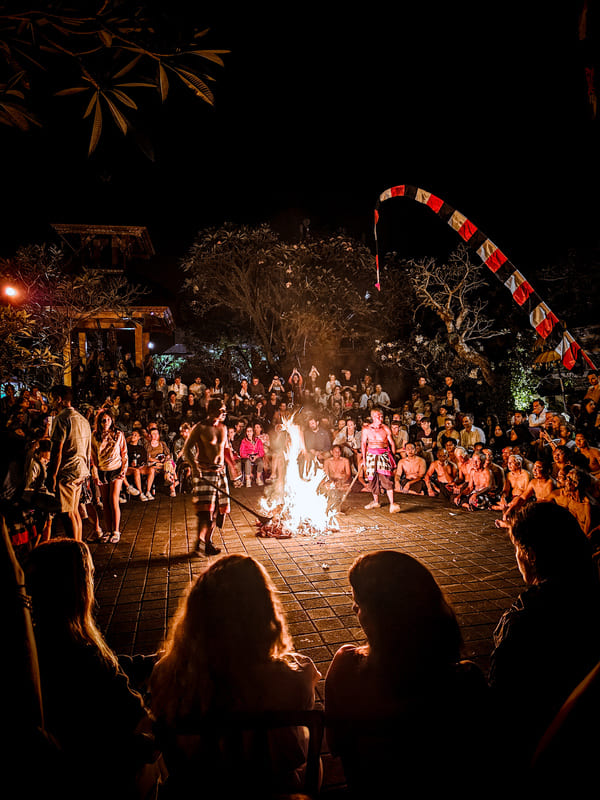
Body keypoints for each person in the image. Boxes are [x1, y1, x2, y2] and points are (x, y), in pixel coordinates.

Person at [325, 550, 492, 797]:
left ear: (377, 615)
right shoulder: (466, 681)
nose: (353, 608)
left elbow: (337, 745)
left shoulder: (346, 667)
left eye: (359, 604)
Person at [150, 555, 321, 795]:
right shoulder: (296, 675)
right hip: (271, 789)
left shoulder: (167, 674)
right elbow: (299, 746)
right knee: (313, 761)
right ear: (264, 611)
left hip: (197, 789)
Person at [25, 539, 151, 800]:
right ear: (76, 587)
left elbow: (114, 663)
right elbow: (132, 711)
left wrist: (149, 661)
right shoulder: (79, 653)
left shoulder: (42, 637)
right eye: (90, 575)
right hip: (108, 778)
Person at [489, 503, 600, 772]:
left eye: (516, 548)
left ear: (529, 554)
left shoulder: (526, 619)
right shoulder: (591, 592)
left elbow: (502, 704)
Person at [181, 399, 234, 555]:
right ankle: (200, 544)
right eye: (221, 410)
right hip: (204, 473)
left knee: (220, 511)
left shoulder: (223, 428)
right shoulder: (200, 428)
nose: (223, 413)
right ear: (212, 410)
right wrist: (194, 467)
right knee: (206, 512)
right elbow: (186, 450)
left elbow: (226, 450)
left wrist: (233, 469)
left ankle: (207, 541)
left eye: (224, 411)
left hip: (220, 472)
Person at [46, 385, 92, 541]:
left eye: (52, 398)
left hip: (67, 472)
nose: (51, 402)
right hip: (81, 470)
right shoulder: (83, 420)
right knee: (74, 512)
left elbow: (57, 450)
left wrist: (52, 475)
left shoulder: (61, 420)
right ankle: (79, 548)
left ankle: (75, 549)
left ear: (59, 399)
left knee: (67, 513)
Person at [90, 410, 128, 544]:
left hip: (116, 469)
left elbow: (124, 453)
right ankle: (108, 529)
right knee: (105, 501)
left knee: (113, 499)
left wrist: (124, 469)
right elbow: (93, 456)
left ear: (112, 420)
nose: (106, 422)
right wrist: (94, 473)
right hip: (102, 469)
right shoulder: (94, 436)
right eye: (103, 420)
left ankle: (116, 530)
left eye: (108, 420)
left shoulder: (118, 434)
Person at [361, 408, 399, 513]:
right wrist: (364, 460)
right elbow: (363, 444)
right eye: (378, 416)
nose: (381, 418)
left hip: (383, 455)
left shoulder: (385, 429)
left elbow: (392, 443)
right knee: (372, 479)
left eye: (382, 416)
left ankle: (392, 504)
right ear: (373, 417)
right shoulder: (366, 429)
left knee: (386, 478)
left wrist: (393, 456)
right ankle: (375, 501)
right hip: (370, 456)